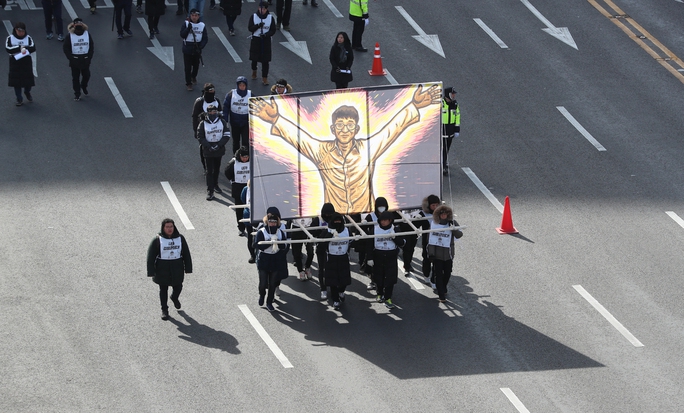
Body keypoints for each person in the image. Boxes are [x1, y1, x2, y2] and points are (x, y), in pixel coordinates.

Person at [249, 84, 441, 214]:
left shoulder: (368, 148)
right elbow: (298, 137)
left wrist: (414, 105)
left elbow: (392, 129)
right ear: (332, 129)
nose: (344, 130)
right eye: (340, 125)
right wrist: (275, 119)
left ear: (357, 129)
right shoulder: (321, 150)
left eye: (350, 125)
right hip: (334, 215)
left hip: (365, 213)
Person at [146, 218, 193, 320]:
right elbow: (151, 256)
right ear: (163, 228)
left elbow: (186, 253)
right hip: (162, 269)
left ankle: (174, 297)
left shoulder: (180, 238)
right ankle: (164, 310)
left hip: (177, 268)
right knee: (163, 289)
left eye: (171, 226)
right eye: (167, 227)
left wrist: (188, 268)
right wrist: (151, 271)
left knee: (178, 287)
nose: (169, 229)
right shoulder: (157, 239)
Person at [366, 211, 405, 309]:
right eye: (381, 220)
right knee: (378, 277)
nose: (383, 222)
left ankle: (388, 298)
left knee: (390, 279)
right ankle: (379, 294)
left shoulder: (395, 229)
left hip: (391, 257)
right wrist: (369, 258)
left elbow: (402, 243)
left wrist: (394, 237)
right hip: (378, 256)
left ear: (390, 220)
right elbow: (369, 245)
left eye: (385, 220)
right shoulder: (374, 229)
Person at [254, 207, 290, 312]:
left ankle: (269, 302)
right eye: (270, 222)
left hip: (275, 259)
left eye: (274, 222)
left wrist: (278, 242)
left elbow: (284, 245)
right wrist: (269, 242)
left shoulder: (280, 232)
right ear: (267, 222)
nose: (273, 224)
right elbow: (257, 245)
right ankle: (262, 294)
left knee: (273, 283)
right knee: (262, 283)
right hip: (264, 259)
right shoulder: (261, 232)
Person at [426, 204, 463, 302]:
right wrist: (431, 253)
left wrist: (453, 228)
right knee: (438, 274)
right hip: (437, 255)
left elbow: (459, 235)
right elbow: (430, 240)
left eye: (445, 214)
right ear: (438, 215)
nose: (443, 215)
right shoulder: (434, 224)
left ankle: (443, 286)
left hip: (448, 254)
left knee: (447, 273)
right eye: (441, 214)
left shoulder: (452, 223)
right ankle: (441, 293)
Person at [318, 213, 355, 310]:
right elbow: (320, 246)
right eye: (335, 222)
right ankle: (336, 300)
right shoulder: (328, 231)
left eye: (339, 221)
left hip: (343, 258)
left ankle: (341, 291)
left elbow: (352, 242)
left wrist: (356, 239)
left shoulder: (347, 231)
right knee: (333, 281)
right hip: (331, 258)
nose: (337, 223)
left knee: (344, 280)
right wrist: (330, 235)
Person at [197, 104, 230, 200]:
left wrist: (219, 145)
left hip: (219, 149)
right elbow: (200, 136)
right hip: (208, 150)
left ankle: (215, 185)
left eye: (214, 111)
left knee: (216, 169)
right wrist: (208, 146)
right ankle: (210, 190)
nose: (213, 113)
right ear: (207, 112)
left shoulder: (222, 122)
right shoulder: (203, 123)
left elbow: (227, 134)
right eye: (211, 111)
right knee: (209, 171)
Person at [191, 83, 222, 174]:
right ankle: (206, 168)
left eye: (213, 91)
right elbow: (194, 117)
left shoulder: (216, 101)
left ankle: (215, 168)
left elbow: (221, 115)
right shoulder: (200, 102)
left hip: (216, 130)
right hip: (204, 131)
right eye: (210, 92)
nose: (212, 94)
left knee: (217, 149)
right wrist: (196, 130)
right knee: (204, 149)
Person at [63, 18, 94, 102]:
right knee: (75, 78)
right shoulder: (69, 36)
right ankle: (77, 93)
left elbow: (91, 46)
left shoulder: (87, 34)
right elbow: (66, 48)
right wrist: (71, 58)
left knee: (86, 75)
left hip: (85, 59)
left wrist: (89, 57)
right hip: (75, 60)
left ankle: (84, 86)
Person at [6, 22, 35, 107]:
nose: (21, 33)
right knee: (16, 82)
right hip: (15, 61)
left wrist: (24, 49)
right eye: (19, 31)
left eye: (22, 31)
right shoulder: (10, 38)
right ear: (15, 30)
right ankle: (19, 98)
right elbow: (8, 49)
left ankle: (27, 91)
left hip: (26, 61)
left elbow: (33, 47)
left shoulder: (28, 38)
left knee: (28, 80)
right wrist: (19, 48)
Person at [247, 1, 276, 86]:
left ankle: (264, 77)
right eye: (260, 8)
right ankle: (254, 71)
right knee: (254, 58)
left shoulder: (270, 18)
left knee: (265, 60)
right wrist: (258, 26)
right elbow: (250, 28)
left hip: (265, 40)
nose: (261, 10)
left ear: (266, 9)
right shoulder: (254, 16)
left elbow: (273, 30)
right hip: (256, 40)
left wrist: (266, 35)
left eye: (263, 9)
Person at [224, 146, 250, 236]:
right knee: (239, 209)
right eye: (243, 157)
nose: (245, 159)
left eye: (247, 157)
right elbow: (227, 172)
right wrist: (233, 181)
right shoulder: (233, 162)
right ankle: (241, 228)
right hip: (238, 188)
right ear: (240, 156)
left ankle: (250, 227)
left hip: (250, 188)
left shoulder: (252, 162)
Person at [180, 9, 208, 91]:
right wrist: (188, 29)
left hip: (197, 48)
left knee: (196, 66)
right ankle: (188, 83)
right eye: (193, 15)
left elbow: (205, 38)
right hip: (187, 48)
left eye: (196, 15)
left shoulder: (202, 25)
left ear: (198, 16)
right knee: (187, 67)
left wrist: (201, 47)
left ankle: (193, 76)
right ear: (190, 16)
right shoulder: (186, 24)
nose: (194, 17)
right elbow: (182, 35)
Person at [222, 76, 251, 154]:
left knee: (245, 141)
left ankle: (246, 157)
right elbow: (225, 108)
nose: (242, 87)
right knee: (236, 141)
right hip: (235, 123)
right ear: (237, 86)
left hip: (246, 123)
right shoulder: (231, 94)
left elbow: (256, 108)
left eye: (243, 85)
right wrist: (225, 121)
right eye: (240, 85)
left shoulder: (250, 95)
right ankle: (236, 157)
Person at [418, 194, 441, 287]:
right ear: (428, 205)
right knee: (427, 259)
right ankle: (426, 274)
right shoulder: (423, 214)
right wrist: (417, 219)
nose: (435, 207)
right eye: (433, 205)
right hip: (427, 241)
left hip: (439, 241)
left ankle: (433, 279)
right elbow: (416, 225)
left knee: (437, 261)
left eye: (436, 205)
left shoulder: (441, 213)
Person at [314, 203, 335, 299]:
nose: (328, 216)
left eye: (330, 214)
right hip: (321, 248)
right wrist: (323, 233)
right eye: (326, 214)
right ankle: (323, 289)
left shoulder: (336, 218)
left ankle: (333, 287)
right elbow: (311, 232)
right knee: (322, 269)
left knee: (332, 269)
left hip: (333, 248)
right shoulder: (318, 220)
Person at [287, 216, 315, 281]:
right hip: (296, 227)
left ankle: (307, 267)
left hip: (308, 227)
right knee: (297, 252)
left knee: (310, 252)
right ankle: (300, 271)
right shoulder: (294, 206)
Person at [441, 86, 460, 176]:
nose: (454, 95)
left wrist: (457, 130)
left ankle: (443, 161)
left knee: (447, 148)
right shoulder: (441, 104)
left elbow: (457, 117)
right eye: (452, 94)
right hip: (442, 130)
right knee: (443, 148)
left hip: (451, 130)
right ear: (448, 94)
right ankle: (443, 166)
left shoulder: (455, 104)